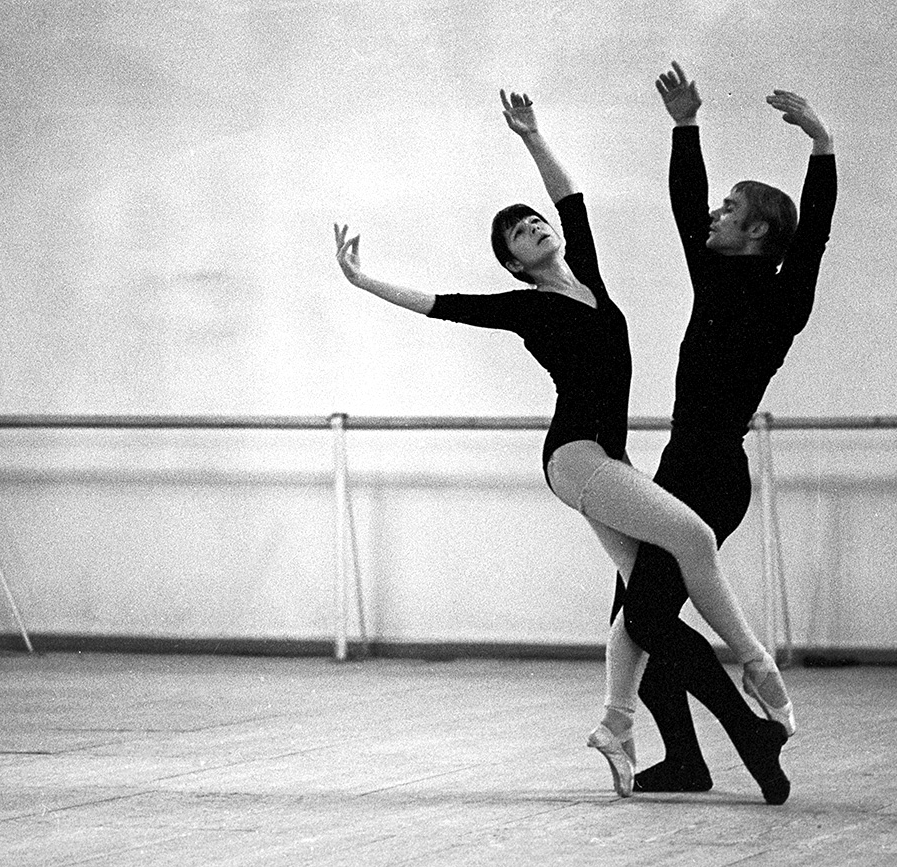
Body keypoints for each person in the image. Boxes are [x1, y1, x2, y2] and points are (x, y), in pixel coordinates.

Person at [332, 89, 791, 803]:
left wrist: (532, 136)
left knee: (640, 609)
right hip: (574, 457)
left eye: (535, 222)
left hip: (608, 462)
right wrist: (364, 280)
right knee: (694, 538)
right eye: (519, 234)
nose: (534, 228)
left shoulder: (593, 283)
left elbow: (568, 193)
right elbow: (441, 305)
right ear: (514, 266)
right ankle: (760, 671)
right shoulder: (527, 306)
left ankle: (616, 725)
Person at [612, 61, 838, 798]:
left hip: (710, 474)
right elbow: (684, 207)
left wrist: (822, 147)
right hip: (680, 468)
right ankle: (690, 757)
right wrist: (684, 128)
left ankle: (747, 734)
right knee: (632, 623)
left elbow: (815, 238)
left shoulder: (783, 300)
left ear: (759, 229)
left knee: (641, 622)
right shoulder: (713, 276)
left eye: (729, 206)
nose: (713, 213)